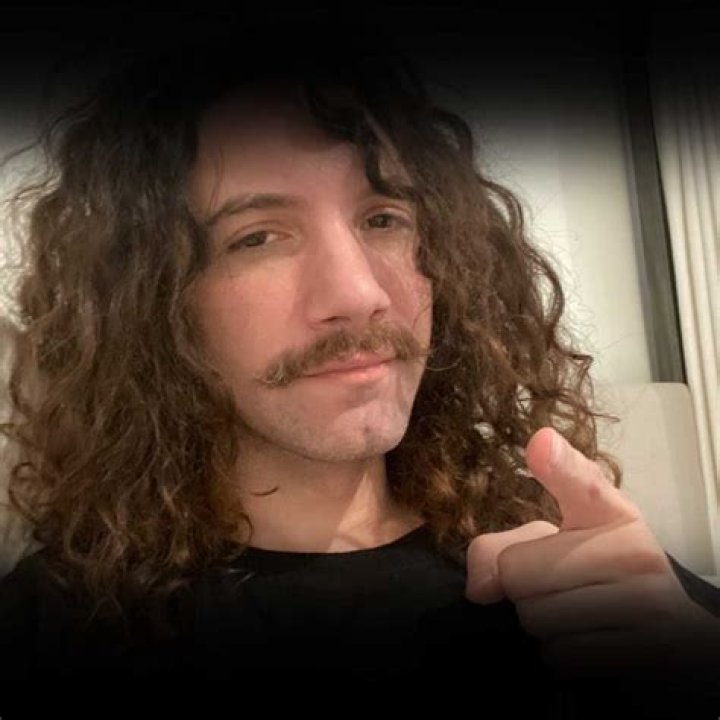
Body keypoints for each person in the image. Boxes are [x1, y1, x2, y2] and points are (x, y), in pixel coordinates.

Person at [0, 18, 718, 718]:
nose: (358, 294)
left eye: (382, 220)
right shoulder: (61, 625)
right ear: (151, 304)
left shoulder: (565, 558)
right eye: (257, 237)